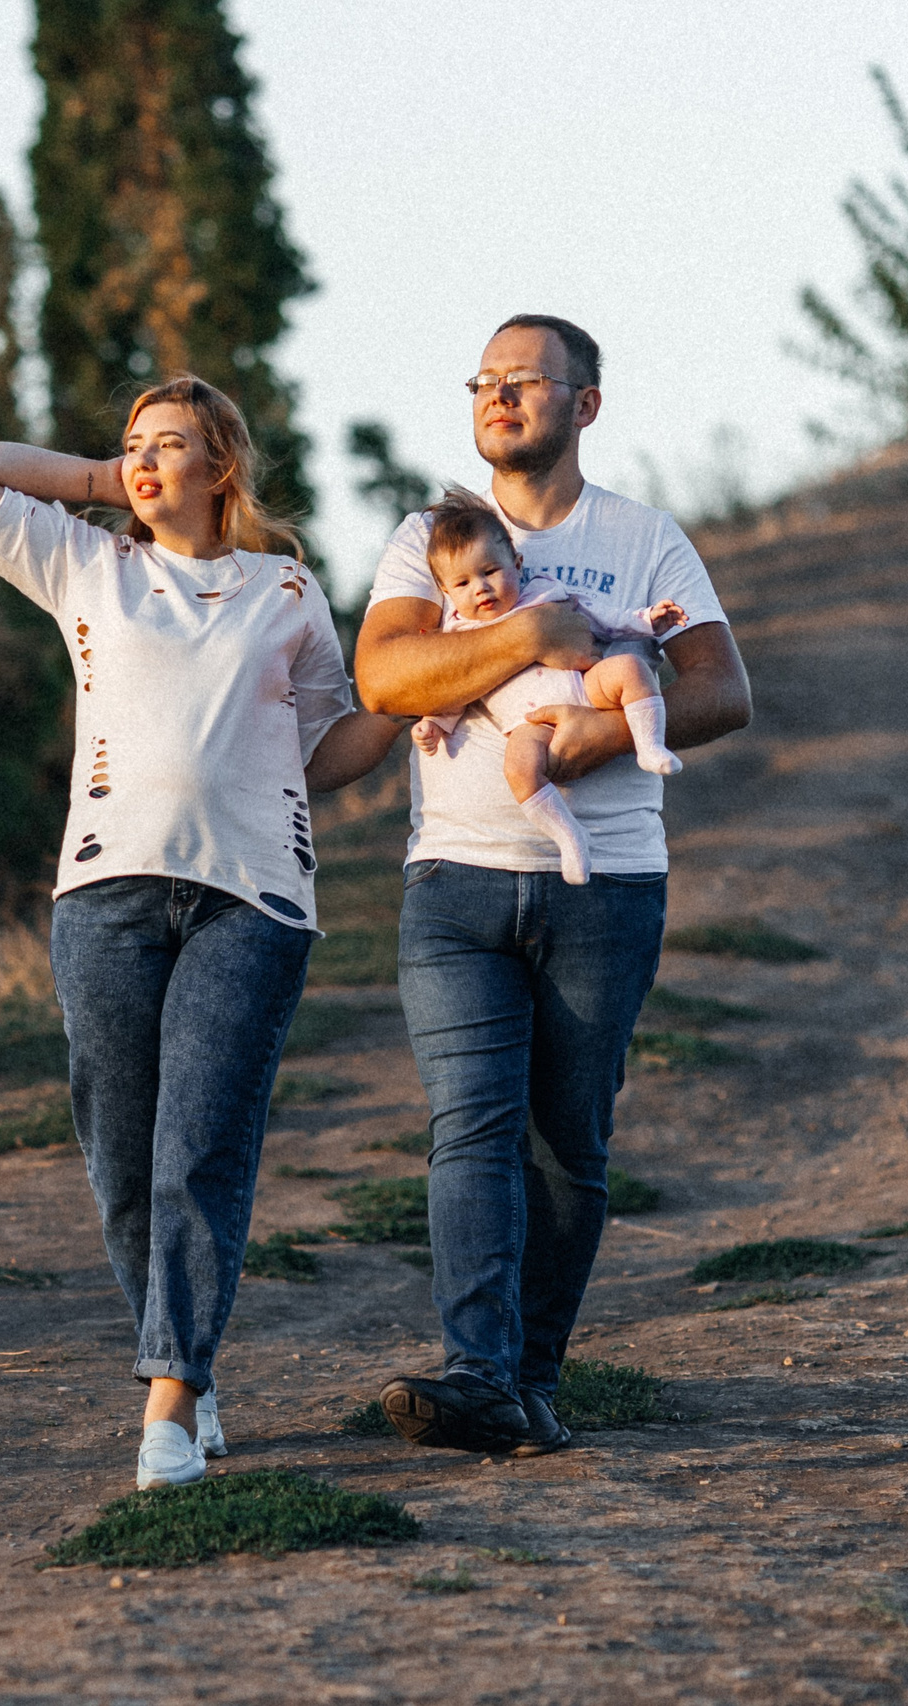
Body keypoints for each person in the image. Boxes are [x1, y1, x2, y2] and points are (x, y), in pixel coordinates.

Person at [0, 375, 404, 1489]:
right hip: (105, 892)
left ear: (221, 466)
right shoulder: (87, 563)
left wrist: (409, 705)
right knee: (122, 1155)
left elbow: (324, 749)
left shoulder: (287, 590)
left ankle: (172, 1402)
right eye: (133, 442)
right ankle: (182, 1348)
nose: (144, 459)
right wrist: (104, 481)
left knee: (201, 1144)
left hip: (253, 897)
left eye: (169, 444)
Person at [353, 315, 751, 1456]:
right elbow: (386, 673)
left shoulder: (644, 537)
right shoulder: (429, 539)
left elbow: (722, 691)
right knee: (470, 1126)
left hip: (606, 889)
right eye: (484, 380)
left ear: (585, 404)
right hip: (456, 888)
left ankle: (530, 1381)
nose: (498, 395)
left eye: (524, 379)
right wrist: (532, 630)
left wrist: (597, 737)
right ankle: (477, 1373)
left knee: (568, 1145)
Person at [409, 488, 689, 884]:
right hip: (529, 722)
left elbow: (598, 616)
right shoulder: (460, 634)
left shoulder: (543, 591)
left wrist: (645, 620)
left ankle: (650, 745)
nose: (481, 588)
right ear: (447, 592)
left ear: (517, 563)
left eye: (490, 571)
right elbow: (457, 690)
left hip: (586, 687)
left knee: (630, 668)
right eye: (463, 582)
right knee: (519, 768)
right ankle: (569, 837)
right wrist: (434, 724)